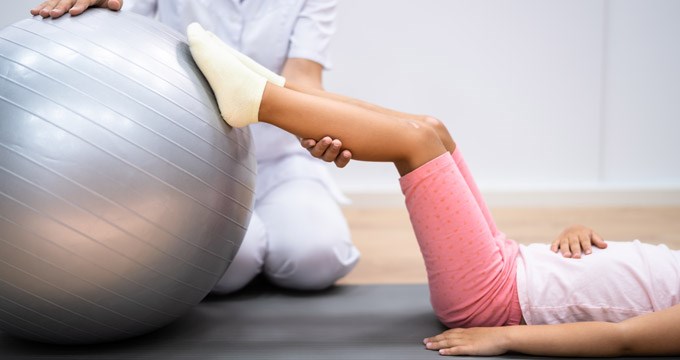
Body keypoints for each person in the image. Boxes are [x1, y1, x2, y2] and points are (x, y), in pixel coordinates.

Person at [183, 23, 680, 357]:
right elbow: (624, 277)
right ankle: (273, 89)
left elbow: (623, 339)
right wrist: (580, 233)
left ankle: (256, 100)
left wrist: (505, 337)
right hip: (514, 260)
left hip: (496, 297)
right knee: (433, 128)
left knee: (414, 144)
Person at [30, 0, 361, 294]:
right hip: (198, 168)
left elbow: (303, 80)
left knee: (315, 261)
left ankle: (270, 238)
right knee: (231, 268)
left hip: (280, 160)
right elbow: (124, 28)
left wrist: (340, 128)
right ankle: (255, 248)